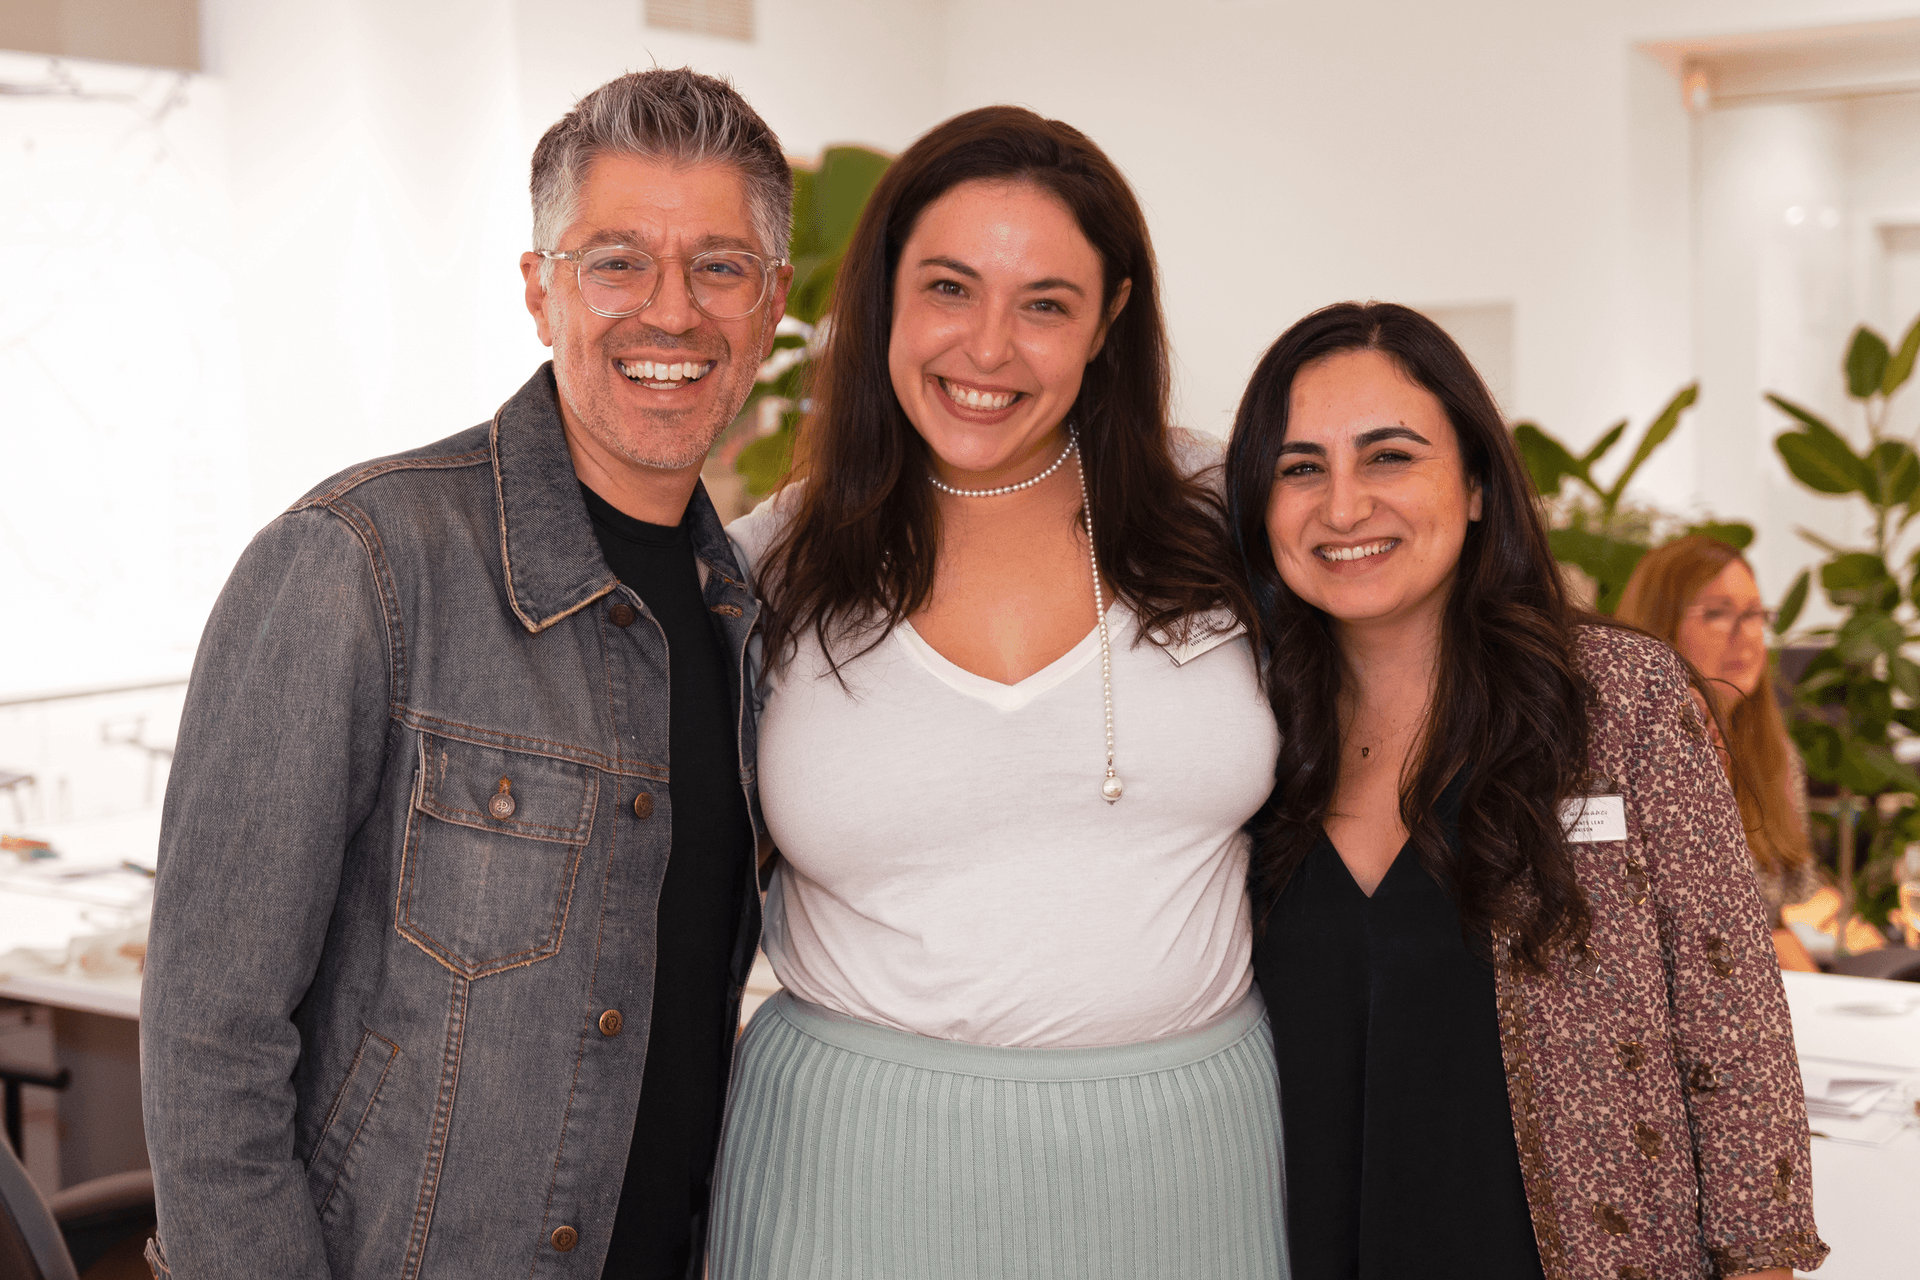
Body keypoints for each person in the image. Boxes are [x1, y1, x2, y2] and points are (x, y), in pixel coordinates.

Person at [141, 69, 791, 1279]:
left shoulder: (743, 613)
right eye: (615, 261)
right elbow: (207, 1043)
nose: (672, 312)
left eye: (718, 265)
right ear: (541, 292)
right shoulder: (358, 563)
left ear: (770, 305)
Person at [711, 107, 1286, 1278]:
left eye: (1045, 304)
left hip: (1189, 1168)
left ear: (1109, 321)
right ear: (883, 298)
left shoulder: (1226, 512)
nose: (988, 347)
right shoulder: (766, 567)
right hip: (848, 1173)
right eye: (949, 288)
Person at [1223, 302, 1826, 1279]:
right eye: (1300, 467)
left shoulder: (1617, 701)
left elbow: (1733, 1013)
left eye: (1389, 456)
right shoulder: (1239, 726)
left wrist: (1760, 1260)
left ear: (1472, 483)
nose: (1342, 506)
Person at [1617, 536, 1822, 971]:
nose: (1745, 635)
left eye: (1754, 615)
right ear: (1660, 625)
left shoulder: (1775, 753)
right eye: (1718, 614)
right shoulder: (1622, 753)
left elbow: (1783, 911)